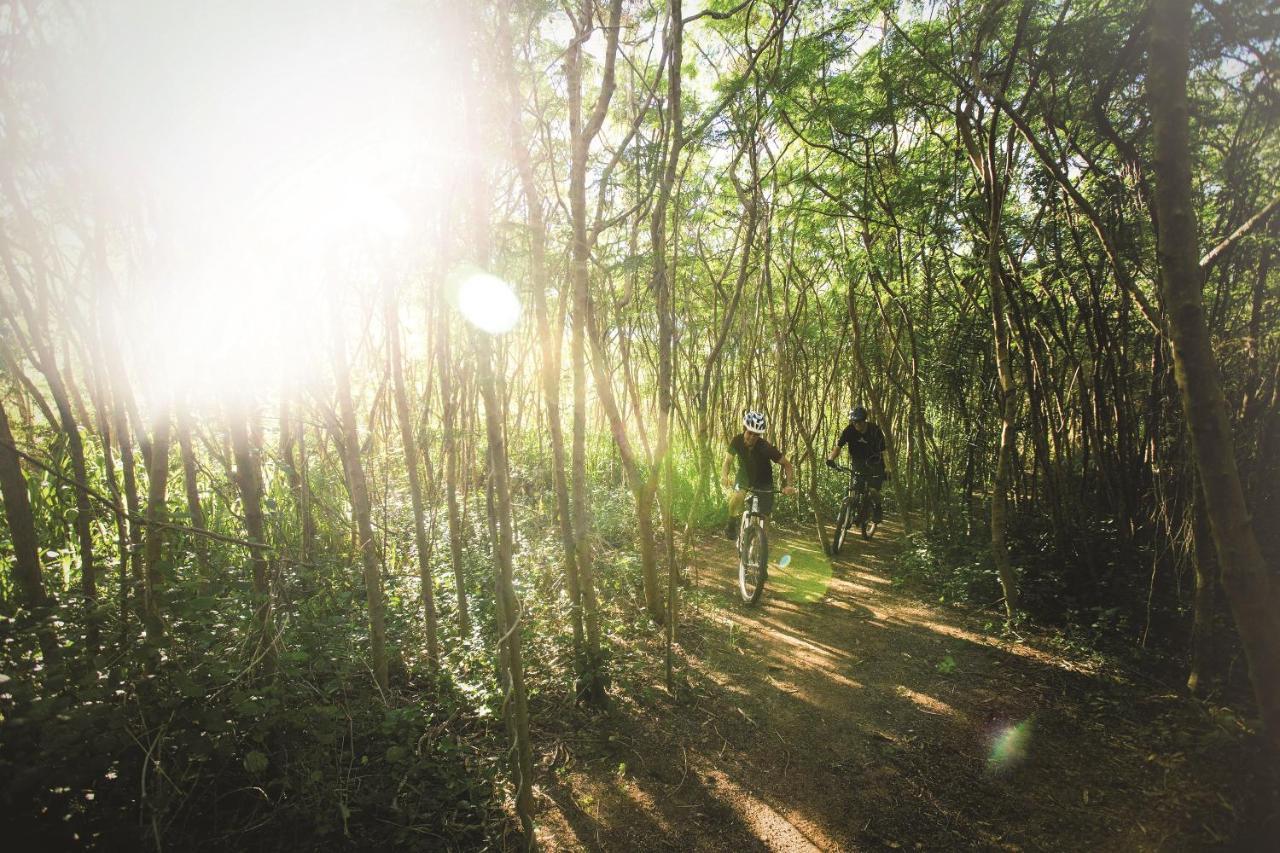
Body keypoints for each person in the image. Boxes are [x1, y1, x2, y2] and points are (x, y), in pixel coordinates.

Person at [723, 410, 796, 540]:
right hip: (744, 477)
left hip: (764, 481)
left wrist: (789, 485)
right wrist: (725, 476)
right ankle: (731, 522)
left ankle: (759, 547)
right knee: (737, 497)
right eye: (750, 433)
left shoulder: (765, 447)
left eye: (756, 435)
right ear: (744, 429)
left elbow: (787, 465)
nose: (752, 437)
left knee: (765, 519)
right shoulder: (737, 441)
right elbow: (728, 461)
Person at [826, 406, 890, 525]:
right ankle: (854, 510)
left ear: (864, 420)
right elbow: (838, 447)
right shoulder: (849, 430)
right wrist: (830, 458)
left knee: (872, 490)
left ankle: (877, 507)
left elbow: (884, 452)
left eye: (859, 421)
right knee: (857, 486)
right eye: (854, 422)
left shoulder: (874, 430)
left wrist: (887, 468)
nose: (857, 424)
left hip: (875, 462)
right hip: (858, 461)